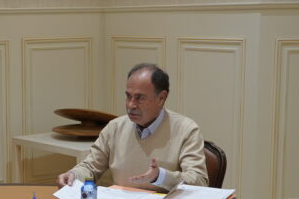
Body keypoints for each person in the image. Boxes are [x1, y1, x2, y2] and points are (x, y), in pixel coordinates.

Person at [56, 63, 208, 191]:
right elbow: (90, 167)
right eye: (128, 96)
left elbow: (199, 182)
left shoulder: (186, 130)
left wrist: (160, 176)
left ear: (161, 98)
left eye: (140, 98)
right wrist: (74, 175)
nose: (131, 105)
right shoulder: (115, 127)